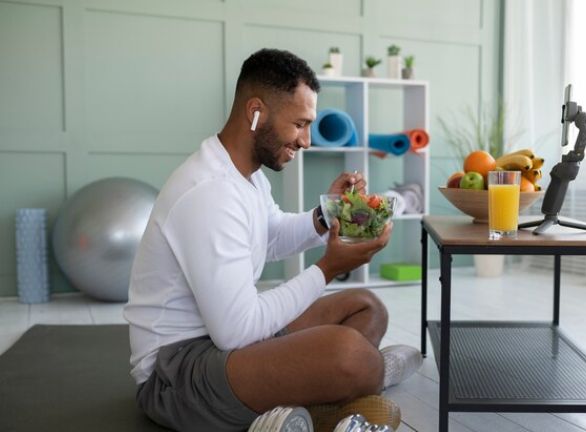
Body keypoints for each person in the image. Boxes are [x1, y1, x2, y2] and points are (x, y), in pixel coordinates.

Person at [123, 48, 422, 432]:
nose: (307, 141)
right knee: (349, 355)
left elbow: (270, 236)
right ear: (256, 112)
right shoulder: (209, 192)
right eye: (299, 124)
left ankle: (307, 413)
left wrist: (329, 213)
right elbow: (237, 330)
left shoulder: (246, 175)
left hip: (228, 347)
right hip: (178, 374)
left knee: (367, 307)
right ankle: (371, 376)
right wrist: (329, 268)